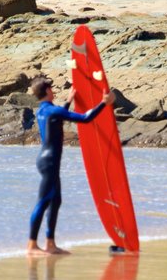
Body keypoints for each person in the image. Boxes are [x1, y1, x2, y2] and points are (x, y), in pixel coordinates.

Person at [25, 76, 115, 256]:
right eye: (52, 89)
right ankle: (32, 246)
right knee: (43, 202)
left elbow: (57, 117)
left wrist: (68, 101)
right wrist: (104, 103)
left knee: (55, 201)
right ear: (47, 91)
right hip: (49, 162)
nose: (54, 91)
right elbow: (86, 118)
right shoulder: (54, 111)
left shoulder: (43, 111)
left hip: (46, 160)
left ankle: (50, 244)